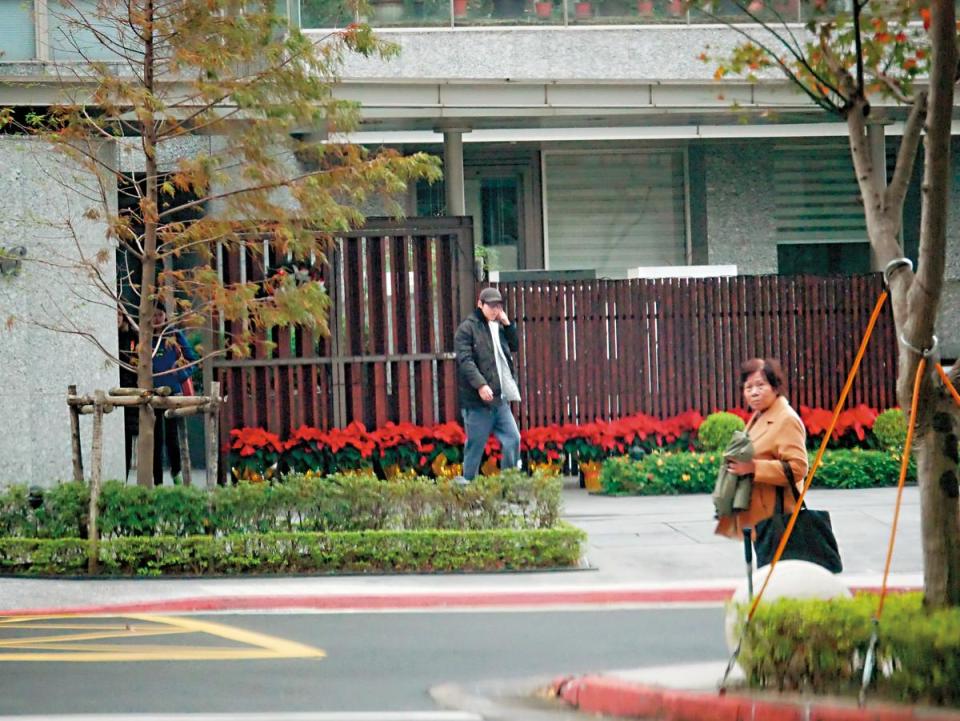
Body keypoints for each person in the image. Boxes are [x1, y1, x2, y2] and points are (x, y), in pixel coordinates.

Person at [715, 358, 808, 540]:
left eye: (760, 385)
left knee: (776, 567)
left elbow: (798, 468)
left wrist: (753, 468)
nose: (754, 392)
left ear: (775, 387)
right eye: (748, 388)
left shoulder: (786, 419)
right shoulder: (759, 415)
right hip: (759, 515)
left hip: (778, 517)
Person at [454, 287, 522, 481]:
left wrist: (508, 324)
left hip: (499, 399)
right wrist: (481, 385)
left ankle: (509, 482)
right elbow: (465, 361)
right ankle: (468, 486)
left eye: (498, 306)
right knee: (475, 447)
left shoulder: (499, 327)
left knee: (513, 439)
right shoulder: (467, 329)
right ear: (480, 304)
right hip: (476, 402)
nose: (495, 310)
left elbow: (514, 345)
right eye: (491, 306)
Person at [151, 309, 199, 486]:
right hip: (152, 393)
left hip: (173, 393)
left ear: (165, 315)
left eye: (159, 314)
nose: (156, 318)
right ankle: (157, 481)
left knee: (173, 436)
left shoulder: (175, 335)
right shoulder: (146, 338)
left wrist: (180, 373)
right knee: (155, 438)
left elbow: (192, 360)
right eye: (153, 314)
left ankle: (177, 473)